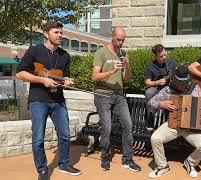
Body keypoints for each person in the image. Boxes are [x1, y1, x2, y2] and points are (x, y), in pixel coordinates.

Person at [16, 21, 81, 180]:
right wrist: (42, 80)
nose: (60, 35)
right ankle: (43, 171)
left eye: (61, 33)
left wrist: (66, 81)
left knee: (65, 135)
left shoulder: (65, 55)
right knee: (38, 138)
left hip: (58, 101)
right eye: (56, 32)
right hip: (38, 101)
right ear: (46, 34)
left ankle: (64, 164)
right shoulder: (34, 51)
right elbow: (19, 74)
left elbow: (63, 77)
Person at [91, 26, 141, 172]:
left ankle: (127, 160)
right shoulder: (101, 52)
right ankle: (105, 157)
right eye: (118, 39)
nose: (120, 43)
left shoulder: (124, 53)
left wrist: (127, 67)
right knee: (107, 128)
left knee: (128, 125)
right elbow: (94, 77)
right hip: (102, 94)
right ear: (112, 36)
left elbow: (127, 79)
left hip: (119, 95)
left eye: (123, 40)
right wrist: (112, 71)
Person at [147, 65, 201, 179]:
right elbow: (151, 102)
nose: (183, 85)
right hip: (174, 125)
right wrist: (161, 104)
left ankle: (190, 163)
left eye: (185, 83)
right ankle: (162, 167)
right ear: (175, 81)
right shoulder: (168, 90)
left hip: (192, 128)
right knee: (155, 138)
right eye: (180, 83)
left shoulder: (195, 88)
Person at [144, 44, 177, 129]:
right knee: (148, 92)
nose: (164, 57)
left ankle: (170, 122)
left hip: (169, 89)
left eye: (165, 55)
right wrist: (157, 82)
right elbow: (147, 82)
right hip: (157, 89)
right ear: (155, 56)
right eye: (161, 56)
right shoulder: (151, 66)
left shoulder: (172, 63)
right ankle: (150, 118)